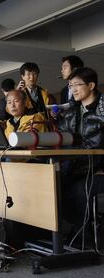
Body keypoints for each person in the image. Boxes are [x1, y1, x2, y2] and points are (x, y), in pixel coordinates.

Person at [57, 67, 104, 239]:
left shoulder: (102, 109)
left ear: (91, 85)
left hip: (98, 169)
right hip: (78, 166)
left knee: (80, 190)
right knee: (53, 185)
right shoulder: (71, 112)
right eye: (70, 86)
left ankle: (82, 236)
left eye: (77, 84)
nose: (73, 89)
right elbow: (62, 139)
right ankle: (61, 232)